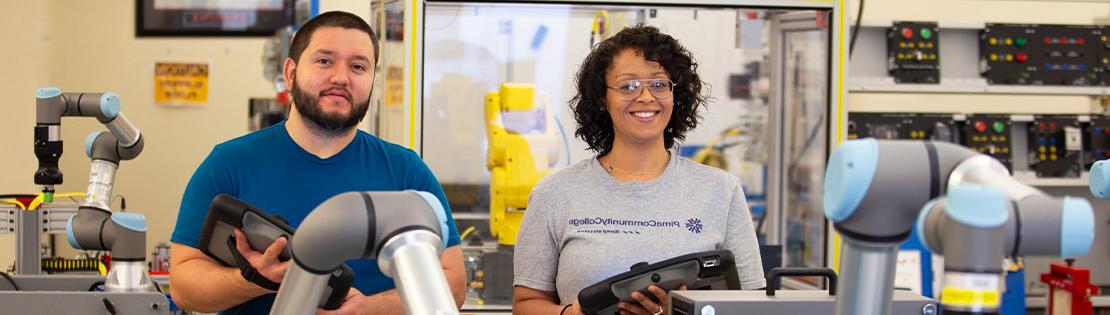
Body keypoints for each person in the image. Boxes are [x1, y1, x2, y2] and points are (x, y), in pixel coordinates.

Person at [168, 11, 465, 314]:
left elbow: (452, 285)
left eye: (358, 66)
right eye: (324, 61)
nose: (341, 77)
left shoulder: (406, 171)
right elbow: (183, 286)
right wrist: (254, 279)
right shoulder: (229, 164)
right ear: (291, 72)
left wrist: (368, 309)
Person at [512, 25, 766, 315]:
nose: (646, 97)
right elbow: (526, 305)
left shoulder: (722, 191)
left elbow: (752, 305)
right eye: (628, 86)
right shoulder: (554, 194)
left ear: (675, 95)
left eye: (659, 84)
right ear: (602, 98)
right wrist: (573, 314)